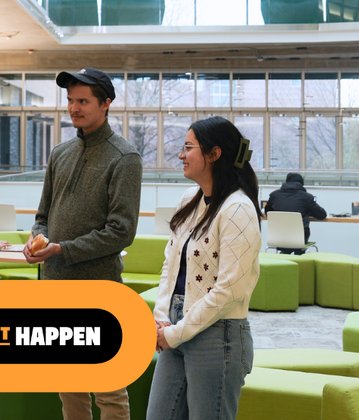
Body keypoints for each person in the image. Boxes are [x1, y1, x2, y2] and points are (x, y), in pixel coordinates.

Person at [24, 67, 141, 420]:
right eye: (71, 100)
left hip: (98, 289)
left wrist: (63, 249)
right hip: (55, 285)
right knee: (69, 386)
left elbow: (121, 231)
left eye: (84, 101)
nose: (74, 108)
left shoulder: (125, 157)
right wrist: (35, 238)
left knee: (109, 390)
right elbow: (42, 215)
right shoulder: (60, 152)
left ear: (106, 104)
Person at [148, 117, 262, 420]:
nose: (181, 155)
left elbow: (229, 290)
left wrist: (175, 333)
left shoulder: (237, 208)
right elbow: (170, 265)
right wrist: (162, 318)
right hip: (175, 326)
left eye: (188, 148)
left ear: (214, 154)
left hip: (218, 335)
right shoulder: (189, 199)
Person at [265, 172, 325, 254]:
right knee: (298, 243)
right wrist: (307, 211)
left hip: (279, 237)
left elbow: (267, 212)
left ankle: (284, 256)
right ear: (302, 184)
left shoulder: (274, 195)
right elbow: (322, 215)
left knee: (287, 243)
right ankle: (299, 257)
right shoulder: (306, 197)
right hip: (300, 238)